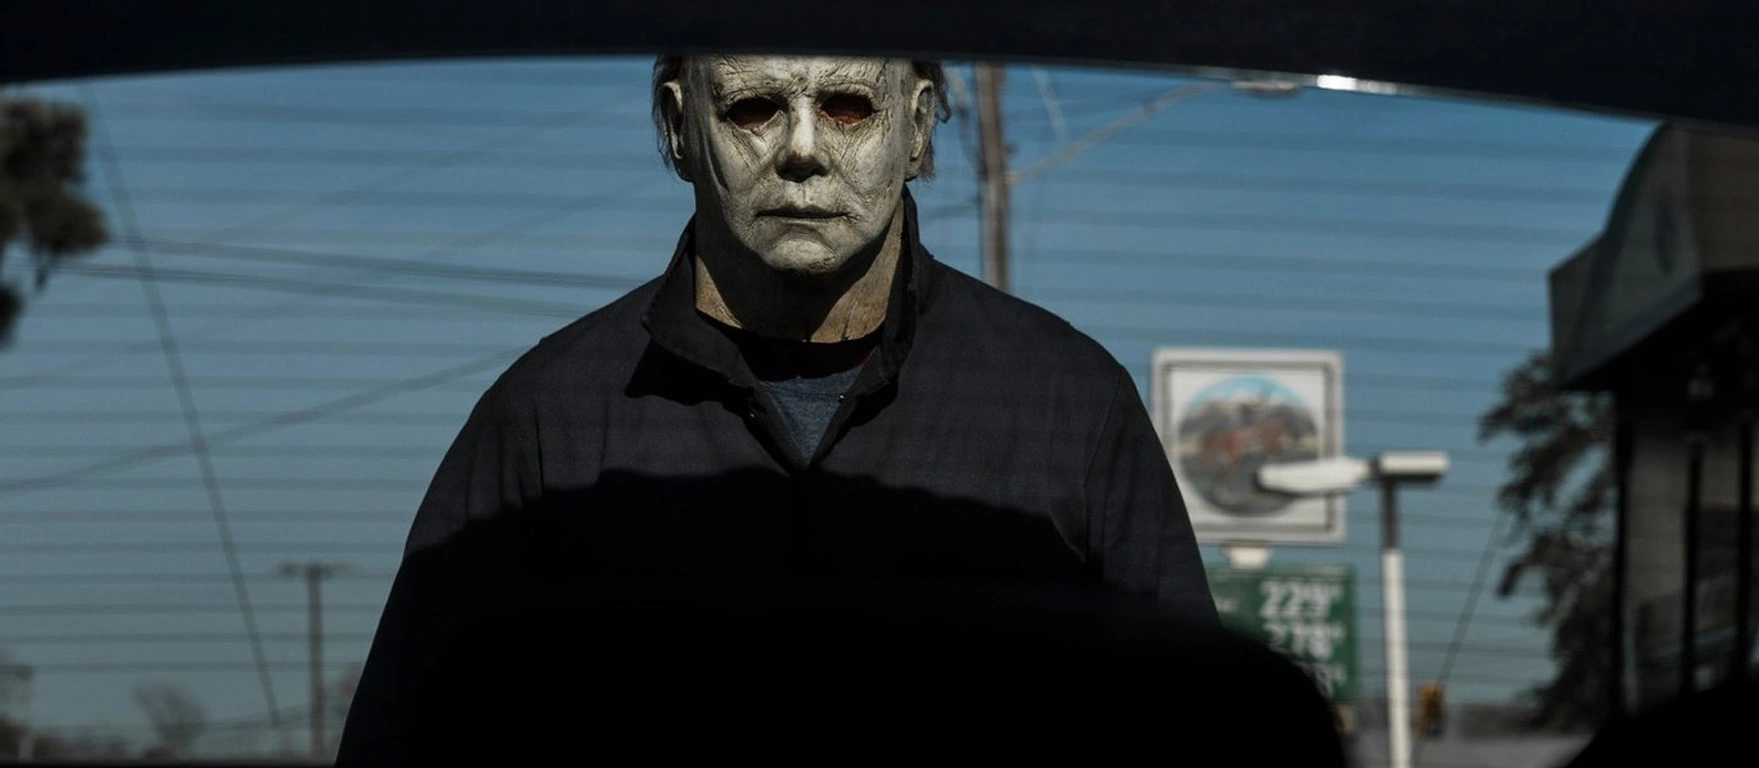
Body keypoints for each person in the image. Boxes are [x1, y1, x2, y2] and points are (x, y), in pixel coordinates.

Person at [337, 55, 1217, 764]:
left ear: (916, 127)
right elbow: (404, 734)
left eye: (848, 107)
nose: (802, 150)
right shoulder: (548, 421)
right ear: (680, 128)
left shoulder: (1068, 407)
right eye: (753, 108)